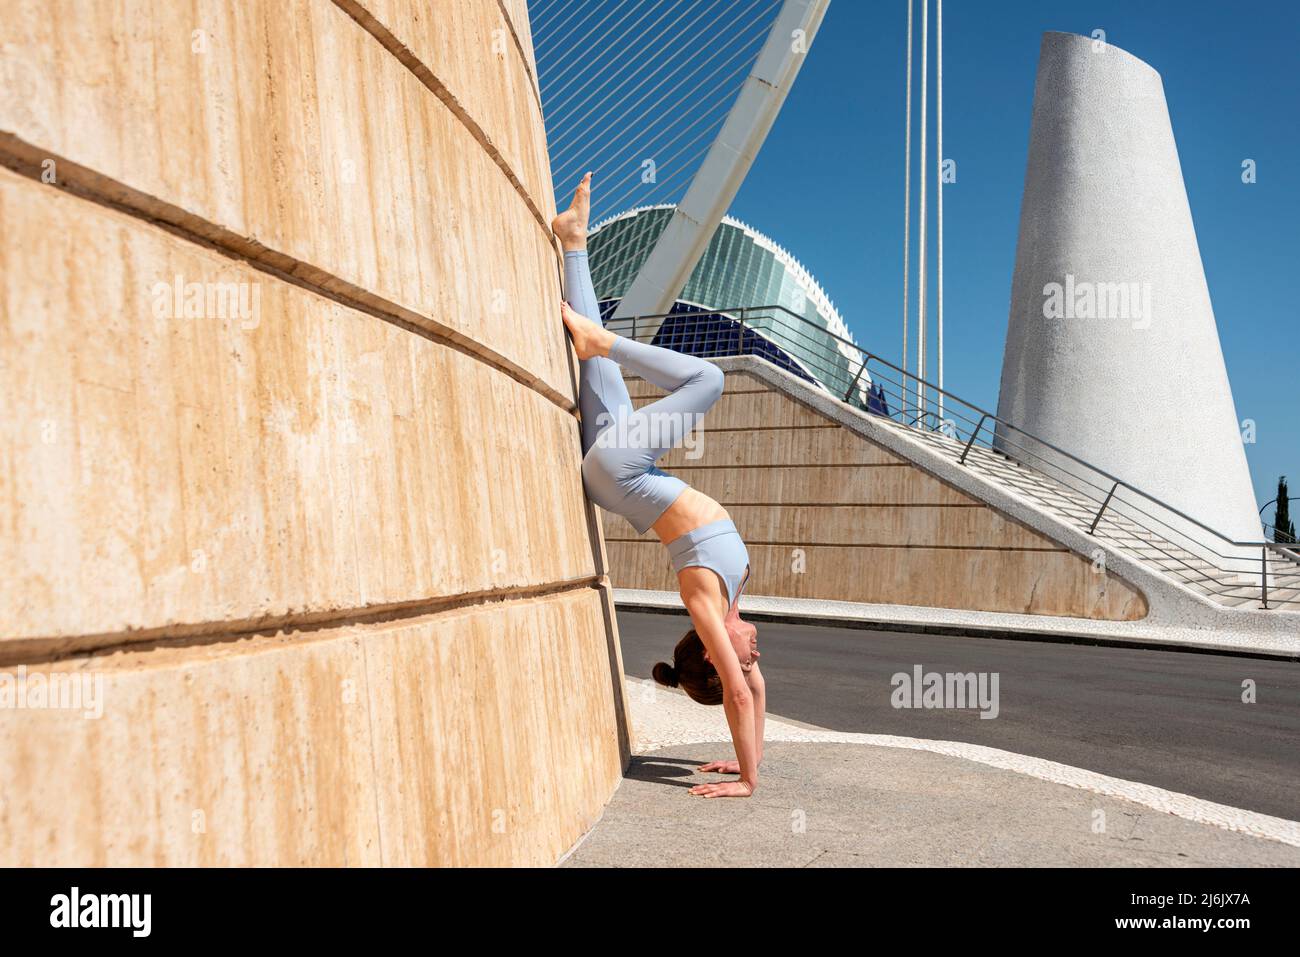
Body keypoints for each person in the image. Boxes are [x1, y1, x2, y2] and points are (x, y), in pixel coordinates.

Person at [553, 173, 764, 798]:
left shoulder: (705, 602)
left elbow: (736, 692)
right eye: (751, 658)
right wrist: (749, 761)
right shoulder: (730, 609)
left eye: (743, 654)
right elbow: (752, 692)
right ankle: (573, 244)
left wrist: (746, 784)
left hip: (620, 474)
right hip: (625, 472)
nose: (755, 653)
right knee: (598, 371)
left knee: (707, 381)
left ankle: (603, 339)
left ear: (712, 647)